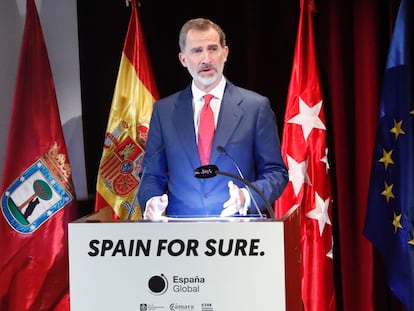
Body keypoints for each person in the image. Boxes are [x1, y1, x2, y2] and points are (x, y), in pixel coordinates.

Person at [137, 18, 288, 220]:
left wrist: (246, 196)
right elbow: (151, 175)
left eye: (213, 49)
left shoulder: (255, 107)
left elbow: (275, 172)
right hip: (182, 234)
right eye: (197, 51)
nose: (206, 58)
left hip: (240, 232)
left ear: (225, 53)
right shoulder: (164, 111)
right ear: (183, 59)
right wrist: (151, 201)